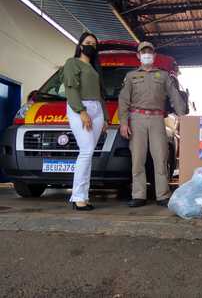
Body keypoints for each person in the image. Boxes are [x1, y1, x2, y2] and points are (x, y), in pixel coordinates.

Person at [118, 41, 186, 207]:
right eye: (143, 52)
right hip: (136, 119)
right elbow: (124, 100)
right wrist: (123, 123)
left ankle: (162, 195)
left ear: (154, 56)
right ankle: (138, 195)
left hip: (157, 119)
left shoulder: (163, 76)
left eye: (149, 52)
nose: (146, 55)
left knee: (160, 157)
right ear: (138, 56)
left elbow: (174, 96)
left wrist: (182, 115)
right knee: (138, 158)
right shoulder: (131, 76)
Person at [61, 32, 109, 211]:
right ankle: (78, 197)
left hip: (97, 109)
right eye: (88, 43)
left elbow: (101, 95)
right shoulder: (72, 63)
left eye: (94, 44)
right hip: (80, 107)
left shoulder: (95, 69)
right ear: (80, 45)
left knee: (88, 154)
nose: (91, 46)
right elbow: (71, 89)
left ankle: (84, 196)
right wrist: (81, 111)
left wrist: (105, 118)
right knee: (87, 151)